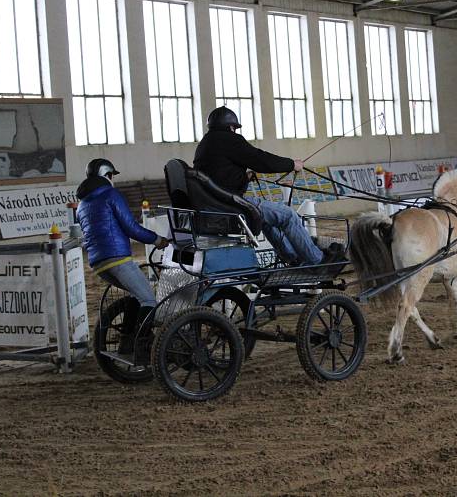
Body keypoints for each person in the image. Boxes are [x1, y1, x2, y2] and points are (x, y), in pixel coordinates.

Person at [193, 106, 342, 266]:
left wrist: (244, 176)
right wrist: (292, 164)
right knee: (288, 215)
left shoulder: (205, 144)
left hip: (216, 203)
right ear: (231, 126)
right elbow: (261, 160)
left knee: (266, 219)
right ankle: (318, 261)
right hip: (231, 204)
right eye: (234, 128)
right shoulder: (229, 139)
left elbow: (219, 174)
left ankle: (293, 258)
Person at [76, 158, 169, 353]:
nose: (113, 180)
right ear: (106, 175)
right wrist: (157, 240)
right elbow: (131, 228)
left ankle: (127, 340)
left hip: (99, 264)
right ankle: (140, 344)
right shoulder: (111, 194)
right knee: (149, 300)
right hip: (118, 258)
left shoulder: (83, 203)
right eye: (111, 176)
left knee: (137, 295)